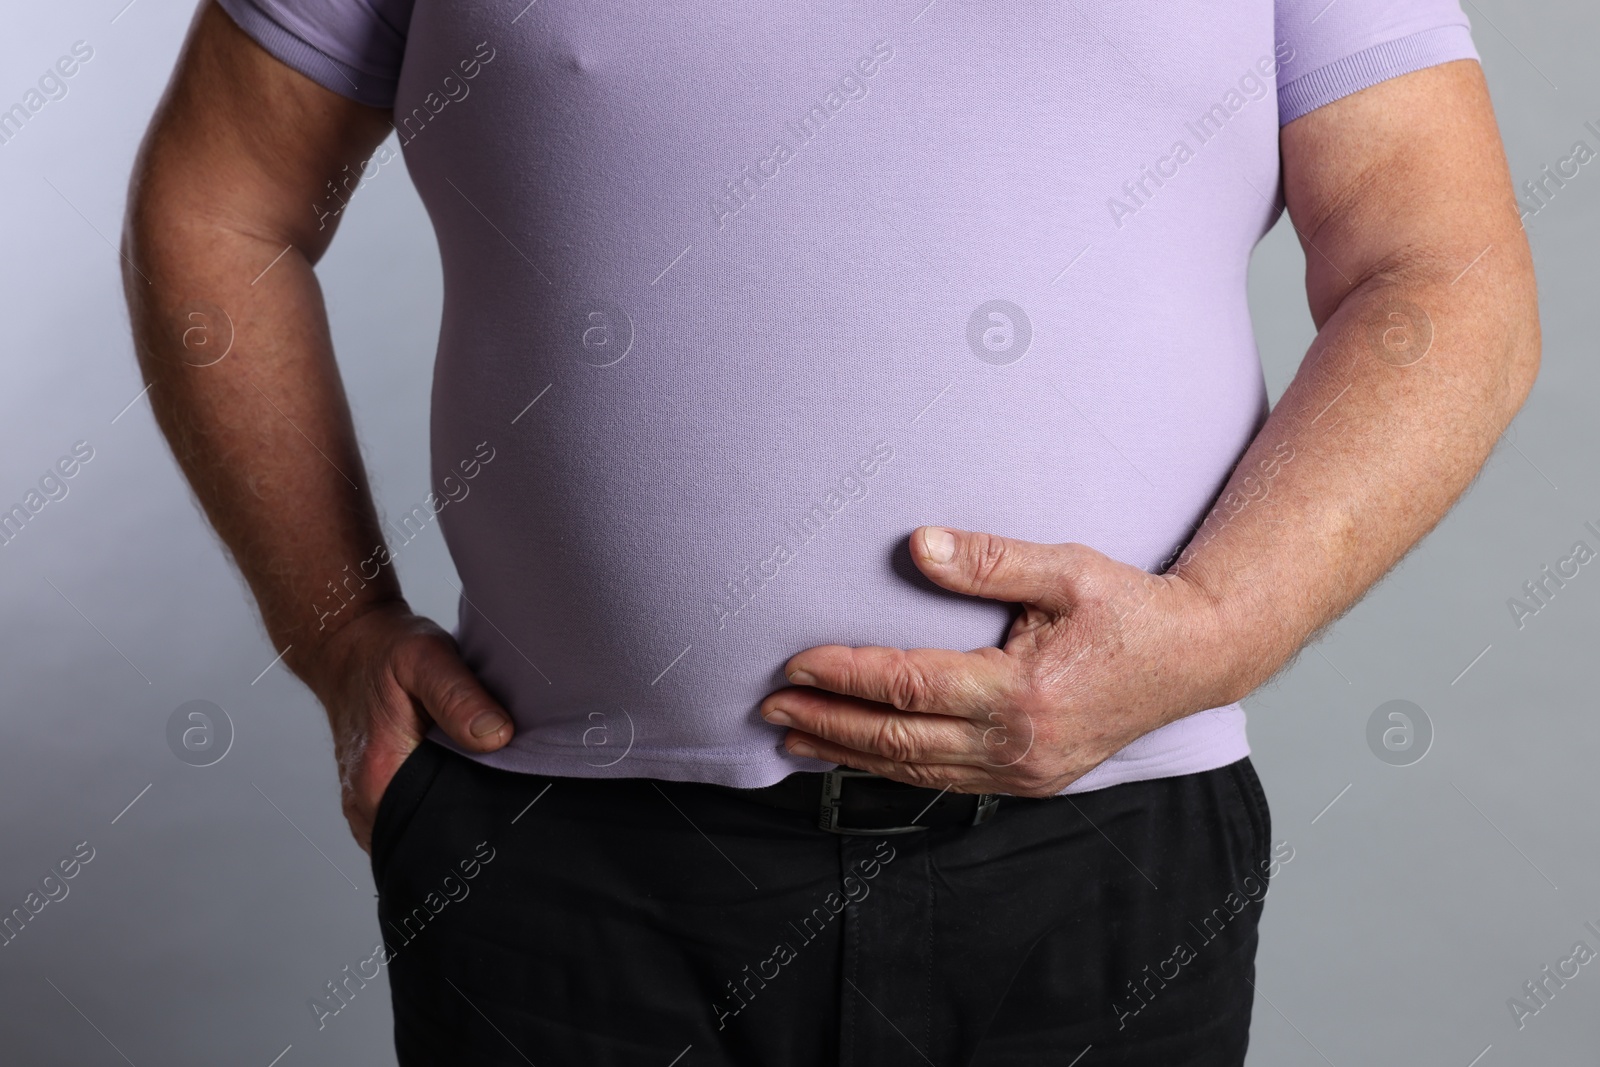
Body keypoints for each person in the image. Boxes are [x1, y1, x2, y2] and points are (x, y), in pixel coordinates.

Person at [122, 0, 1538, 1062]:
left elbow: (1444, 271)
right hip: (568, 866)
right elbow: (218, 200)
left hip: (1095, 854)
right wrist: (334, 628)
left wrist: (1227, 623)